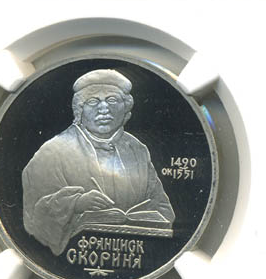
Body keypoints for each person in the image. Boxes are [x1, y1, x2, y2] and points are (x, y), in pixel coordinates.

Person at [22, 69, 175, 255]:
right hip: (77, 253)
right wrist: (76, 204)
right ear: (79, 111)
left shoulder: (137, 150)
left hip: (134, 250)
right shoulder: (53, 152)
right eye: (93, 101)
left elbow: (162, 207)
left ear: (126, 110)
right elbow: (34, 216)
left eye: (112, 100)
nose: (104, 108)